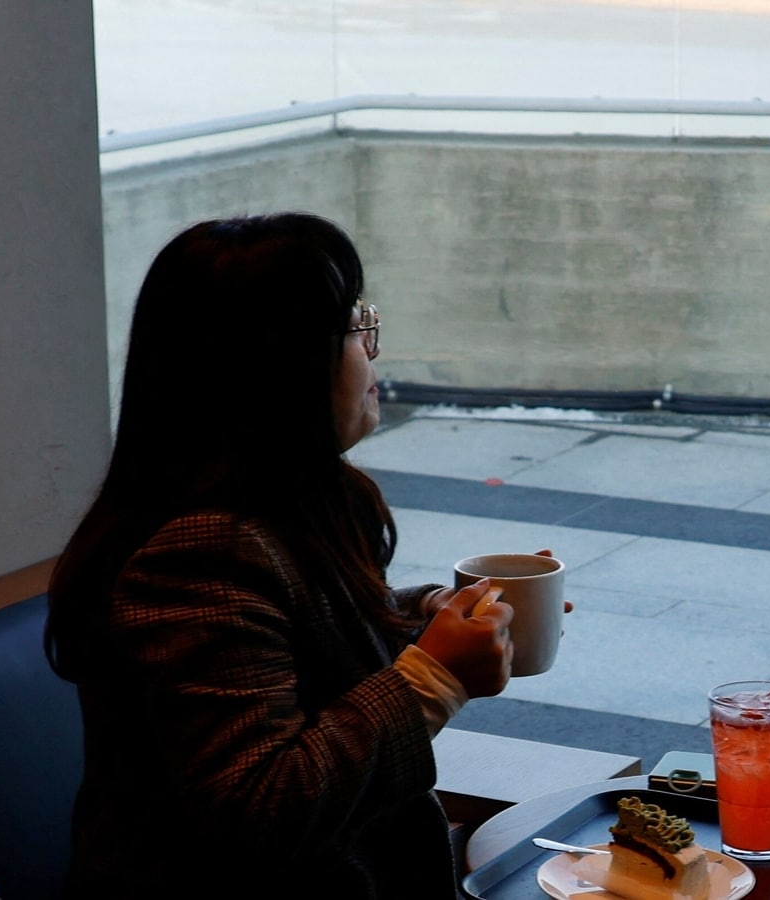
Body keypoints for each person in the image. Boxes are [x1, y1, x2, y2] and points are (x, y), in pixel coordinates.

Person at [45, 213, 539, 899]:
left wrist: (425, 615)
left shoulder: (310, 497)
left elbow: (291, 636)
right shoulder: (198, 552)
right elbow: (262, 806)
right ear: (278, 365)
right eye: (353, 325)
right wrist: (433, 677)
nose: (372, 351)